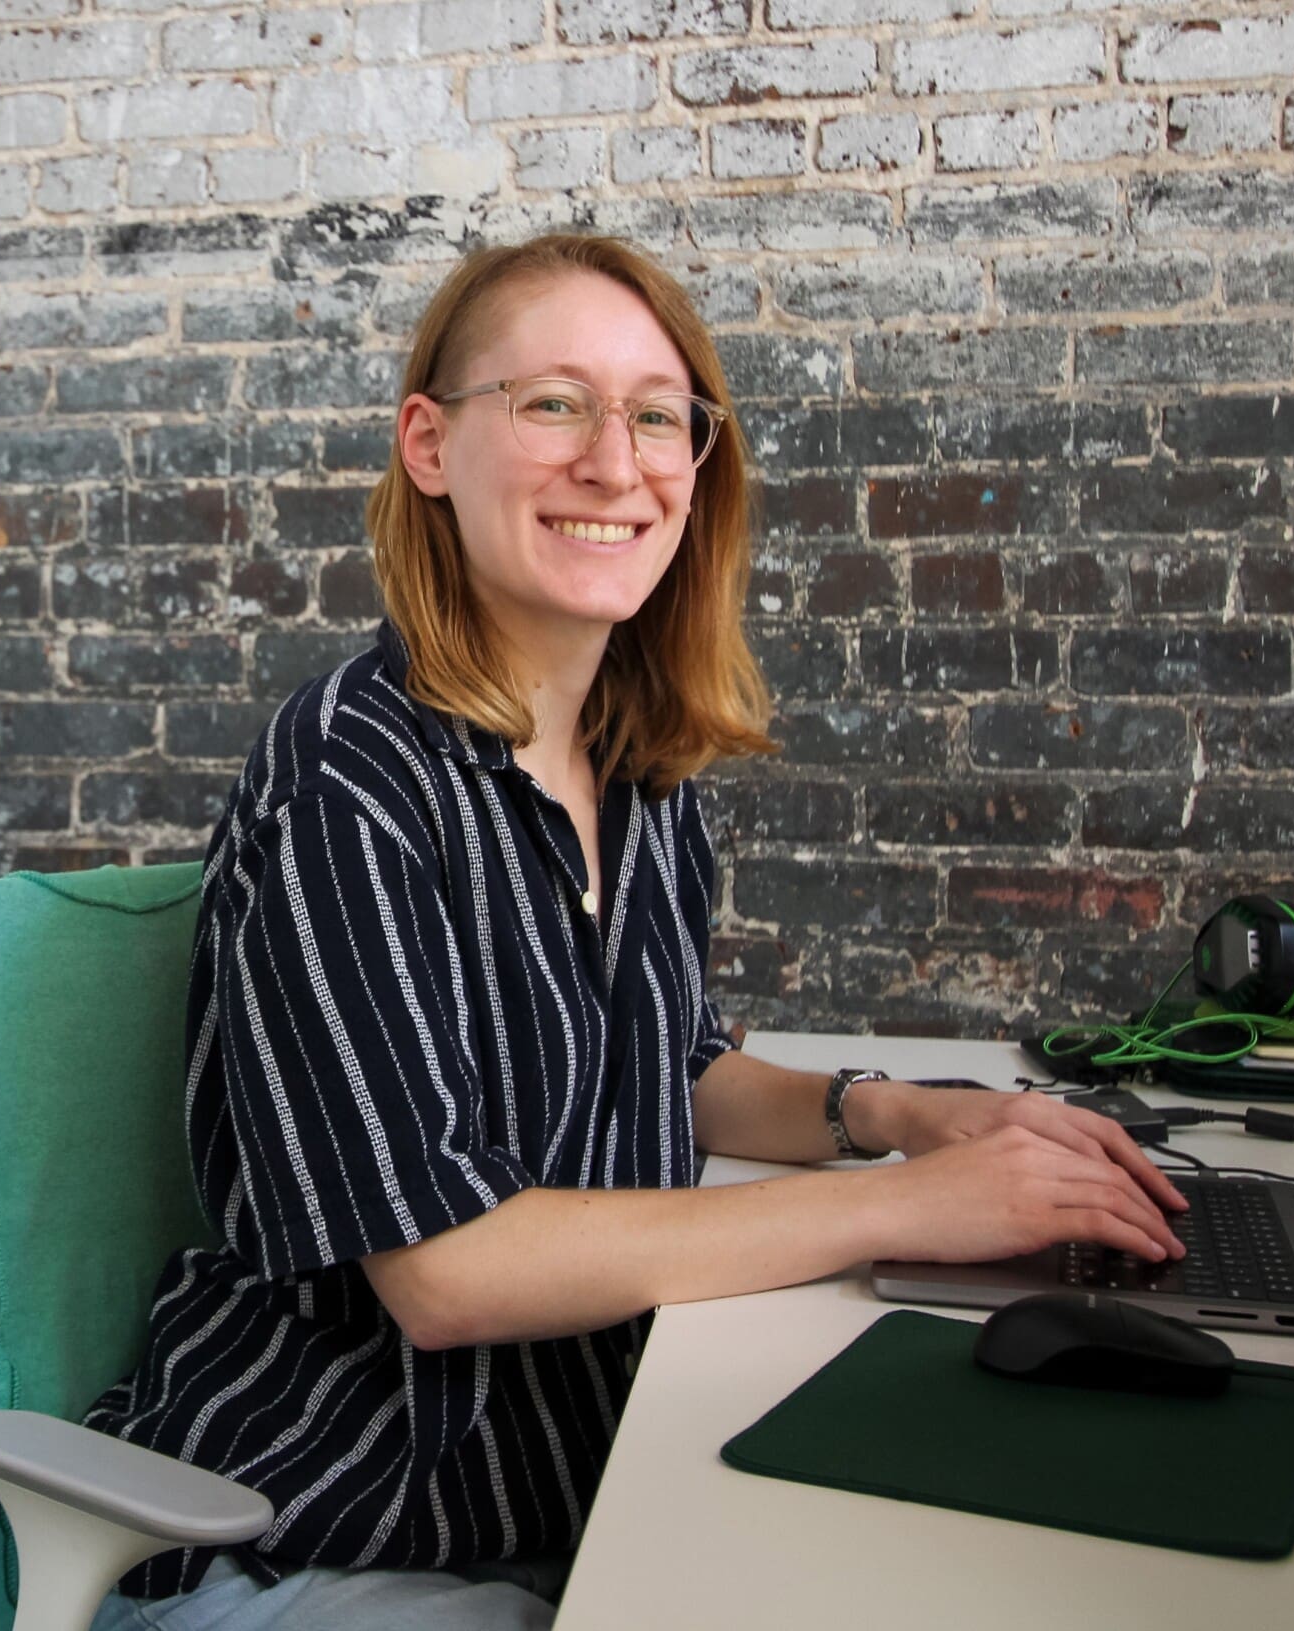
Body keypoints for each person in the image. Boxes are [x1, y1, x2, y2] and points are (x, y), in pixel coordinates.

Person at [82, 233, 1185, 1631]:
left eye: (658, 415)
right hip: (322, 1538)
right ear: (429, 444)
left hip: (590, 1492)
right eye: (552, 403)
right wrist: (911, 1209)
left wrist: (905, 1116)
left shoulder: (638, 767)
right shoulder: (348, 782)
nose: (618, 463)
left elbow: (657, 1065)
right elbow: (445, 1269)